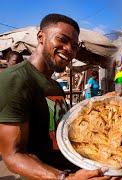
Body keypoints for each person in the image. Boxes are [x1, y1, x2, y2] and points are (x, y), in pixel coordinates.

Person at [0, 14, 108, 179]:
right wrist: (65, 178)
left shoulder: (55, 86)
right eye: (62, 40)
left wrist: (102, 104)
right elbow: (13, 155)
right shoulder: (16, 79)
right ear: (41, 37)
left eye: (74, 46)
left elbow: (63, 129)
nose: (69, 49)